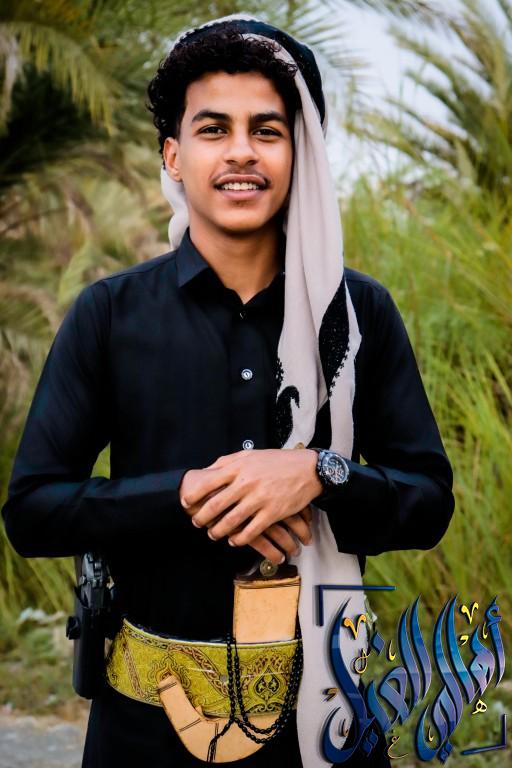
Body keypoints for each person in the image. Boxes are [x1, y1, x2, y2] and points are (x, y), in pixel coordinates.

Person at [1, 15, 454, 768]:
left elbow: (429, 500)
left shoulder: (358, 314)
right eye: (213, 129)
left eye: (267, 131)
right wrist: (187, 496)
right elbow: (33, 511)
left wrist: (318, 473)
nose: (241, 152)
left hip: (323, 723)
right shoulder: (110, 314)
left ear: (301, 153)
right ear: (174, 155)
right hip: (145, 730)